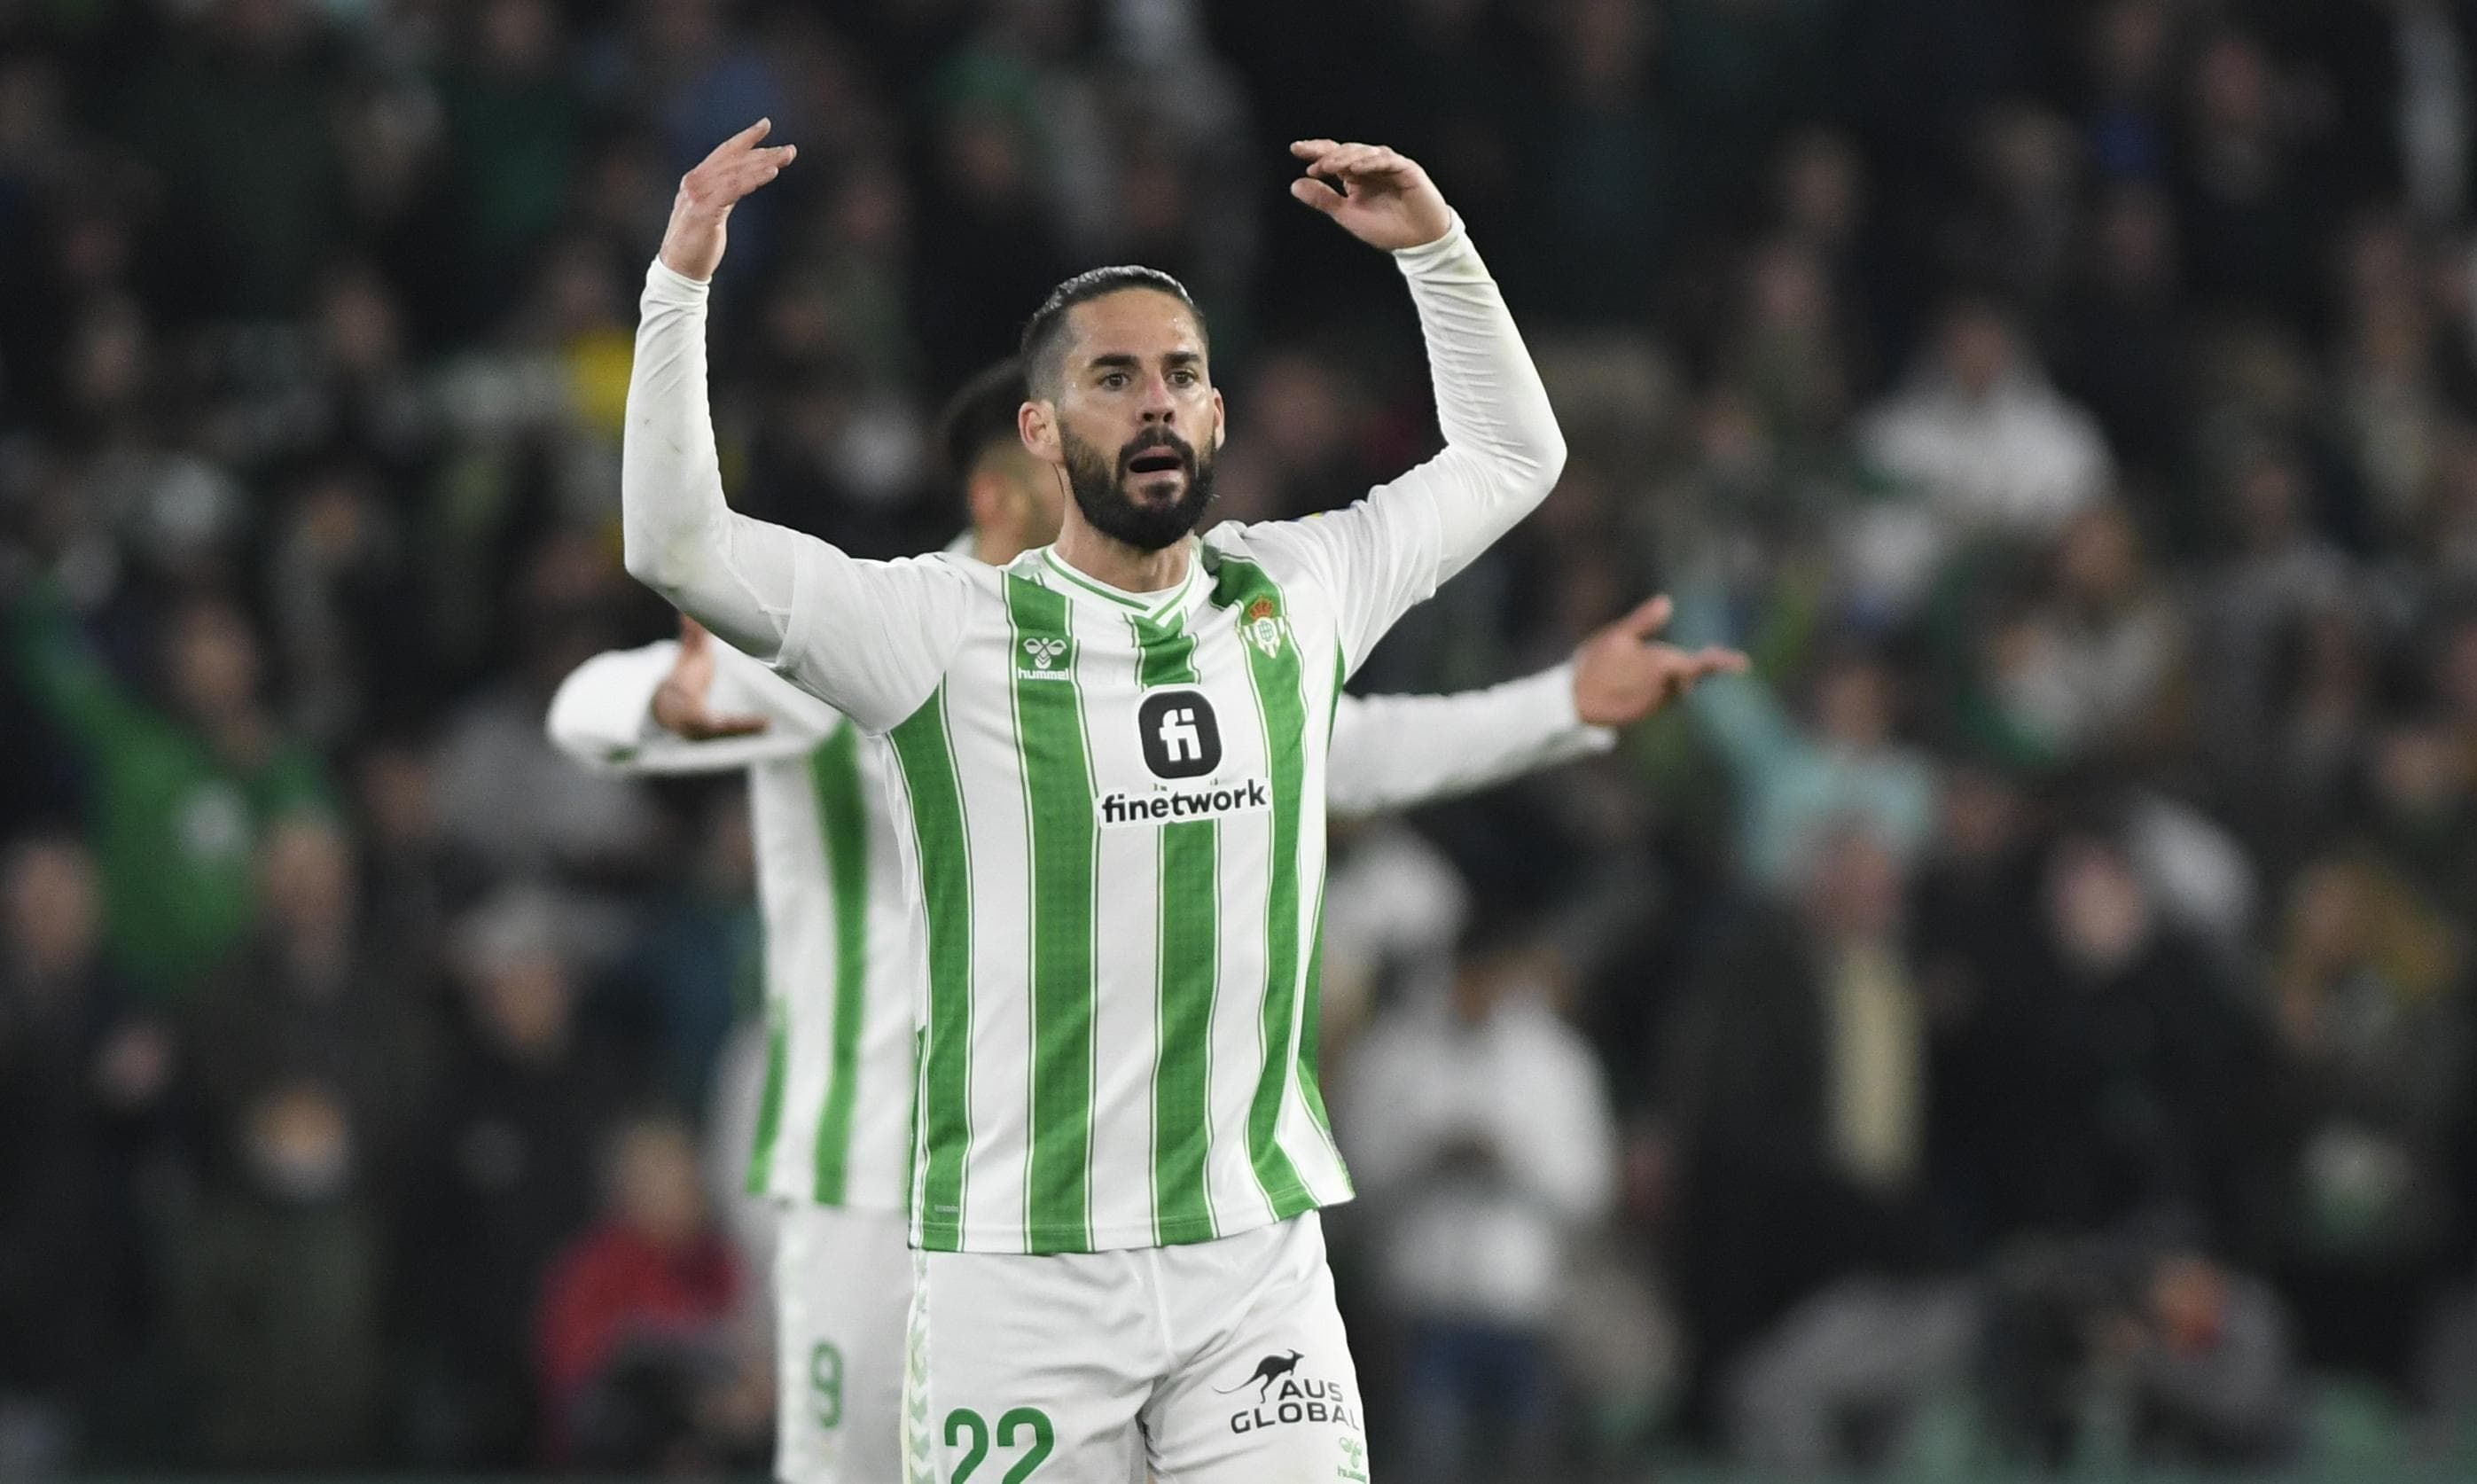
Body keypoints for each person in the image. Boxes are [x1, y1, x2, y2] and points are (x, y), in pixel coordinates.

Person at [621, 121, 1728, 1482]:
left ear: (1215, 418)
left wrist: (1437, 250)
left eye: (1181, 375)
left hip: (1249, 1260)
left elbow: (1512, 455)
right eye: (1112, 376)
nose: (1154, 401)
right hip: (1020, 1271)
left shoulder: (1296, 592)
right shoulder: (940, 630)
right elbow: (675, 543)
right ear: (1039, 431)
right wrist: (680, 282)